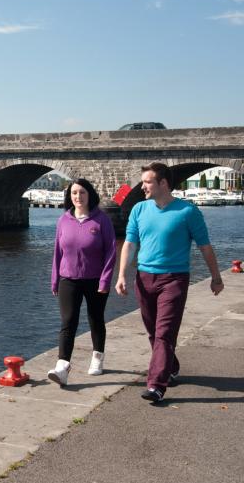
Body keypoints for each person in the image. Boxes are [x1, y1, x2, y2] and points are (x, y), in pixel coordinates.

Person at [115, 162, 224, 403]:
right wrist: (121, 274)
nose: (142, 187)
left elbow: (205, 246)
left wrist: (216, 277)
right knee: (154, 332)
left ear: (163, 183)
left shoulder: (188, 212)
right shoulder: (139, 209)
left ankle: (156, 385)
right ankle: (170, 366)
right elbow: (130, 244)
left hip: (174, 279)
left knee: (164, 332)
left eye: (147, 182)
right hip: (144, 278)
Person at [48, 178, 117, 386]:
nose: (78, 197)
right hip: (68, 278)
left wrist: (105, 280)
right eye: (74, 193)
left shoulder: (101, 220)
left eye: (82, 192)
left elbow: (111, 251)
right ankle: (62, 366)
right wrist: (55, 279)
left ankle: (97, 357)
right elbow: (57, 252)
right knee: (68, 321)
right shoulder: (63, 220)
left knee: (95, 318)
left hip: (95, 279)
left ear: (90, 195)